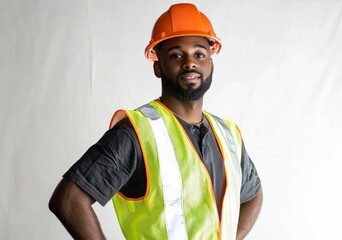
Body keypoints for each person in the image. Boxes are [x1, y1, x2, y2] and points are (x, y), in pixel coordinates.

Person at [49, 3, 263, 240]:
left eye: (199, 54)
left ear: (210, 64)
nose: (189, 62)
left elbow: (253, 194)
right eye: (176, 55)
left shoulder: (228, 134)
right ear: (158, 67)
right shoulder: (137, 133)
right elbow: (69, 200)